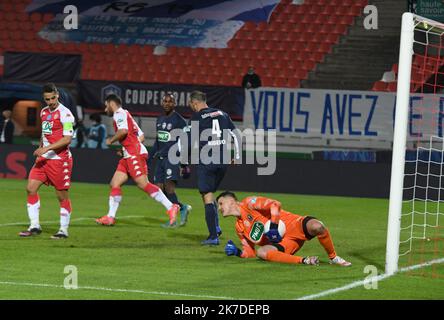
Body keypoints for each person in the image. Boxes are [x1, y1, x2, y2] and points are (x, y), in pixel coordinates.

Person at [95, 94, 179, 226]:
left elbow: (123, 131)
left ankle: (171, 207)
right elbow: (141, 136)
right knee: (115, 183)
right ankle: (110, 217)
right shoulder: (126, 114)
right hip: (130, 153)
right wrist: (127, 149)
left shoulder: (119, 113)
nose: (106, 110)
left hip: (134, 154)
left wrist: (111, 140)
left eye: (106, 106)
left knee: (143, 184)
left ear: (111, 104)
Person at [217, 191, 352, 266]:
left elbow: (275, 204)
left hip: (293, 224)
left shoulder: (249, 203)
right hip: (284, 243)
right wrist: (237, 252)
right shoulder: (239, 227)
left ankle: (333, 257)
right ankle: (304, 260)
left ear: (231, 201)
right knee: (261, 253)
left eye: (221, 203)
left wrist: (274, 227)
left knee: (317, 226)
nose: (219, 208)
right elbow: (250, 252)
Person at [19, 83, 75, 239]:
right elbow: (44, 134)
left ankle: (63, 230)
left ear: (57, 94)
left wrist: (46, 149)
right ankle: (34, 226)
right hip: (44, 159)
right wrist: (41, 148)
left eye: (52, 98)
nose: (50, 102)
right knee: (30, 188)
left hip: (59, 160)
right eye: (47, 99)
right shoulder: (43, 112)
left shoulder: (66, 114)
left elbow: (67, 139)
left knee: (62, 196)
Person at [185, 91, 240, 245]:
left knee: (207, 196)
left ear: (195, 103)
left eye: (191, 105)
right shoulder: (223, 114)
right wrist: (237, 156)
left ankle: (213, 236)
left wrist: (184, 160)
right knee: (208, 194)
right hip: (223, 162)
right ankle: (215, 227)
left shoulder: (196, 117)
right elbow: (236, 135)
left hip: (207, 160)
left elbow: (189, 142)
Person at [149, 92, 192, 227]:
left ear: (174, 104)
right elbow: (158, 140)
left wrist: (184, 162)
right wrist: (149, 157)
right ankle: (182, 207)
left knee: (169, 188)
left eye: (170, 102)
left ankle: (173, 220)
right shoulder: (160, 119)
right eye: (165, 101)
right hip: (161, 158)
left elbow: (185, 141)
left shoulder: (179, 120)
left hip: (172, 157)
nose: (167, 104)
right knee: (158, 189)